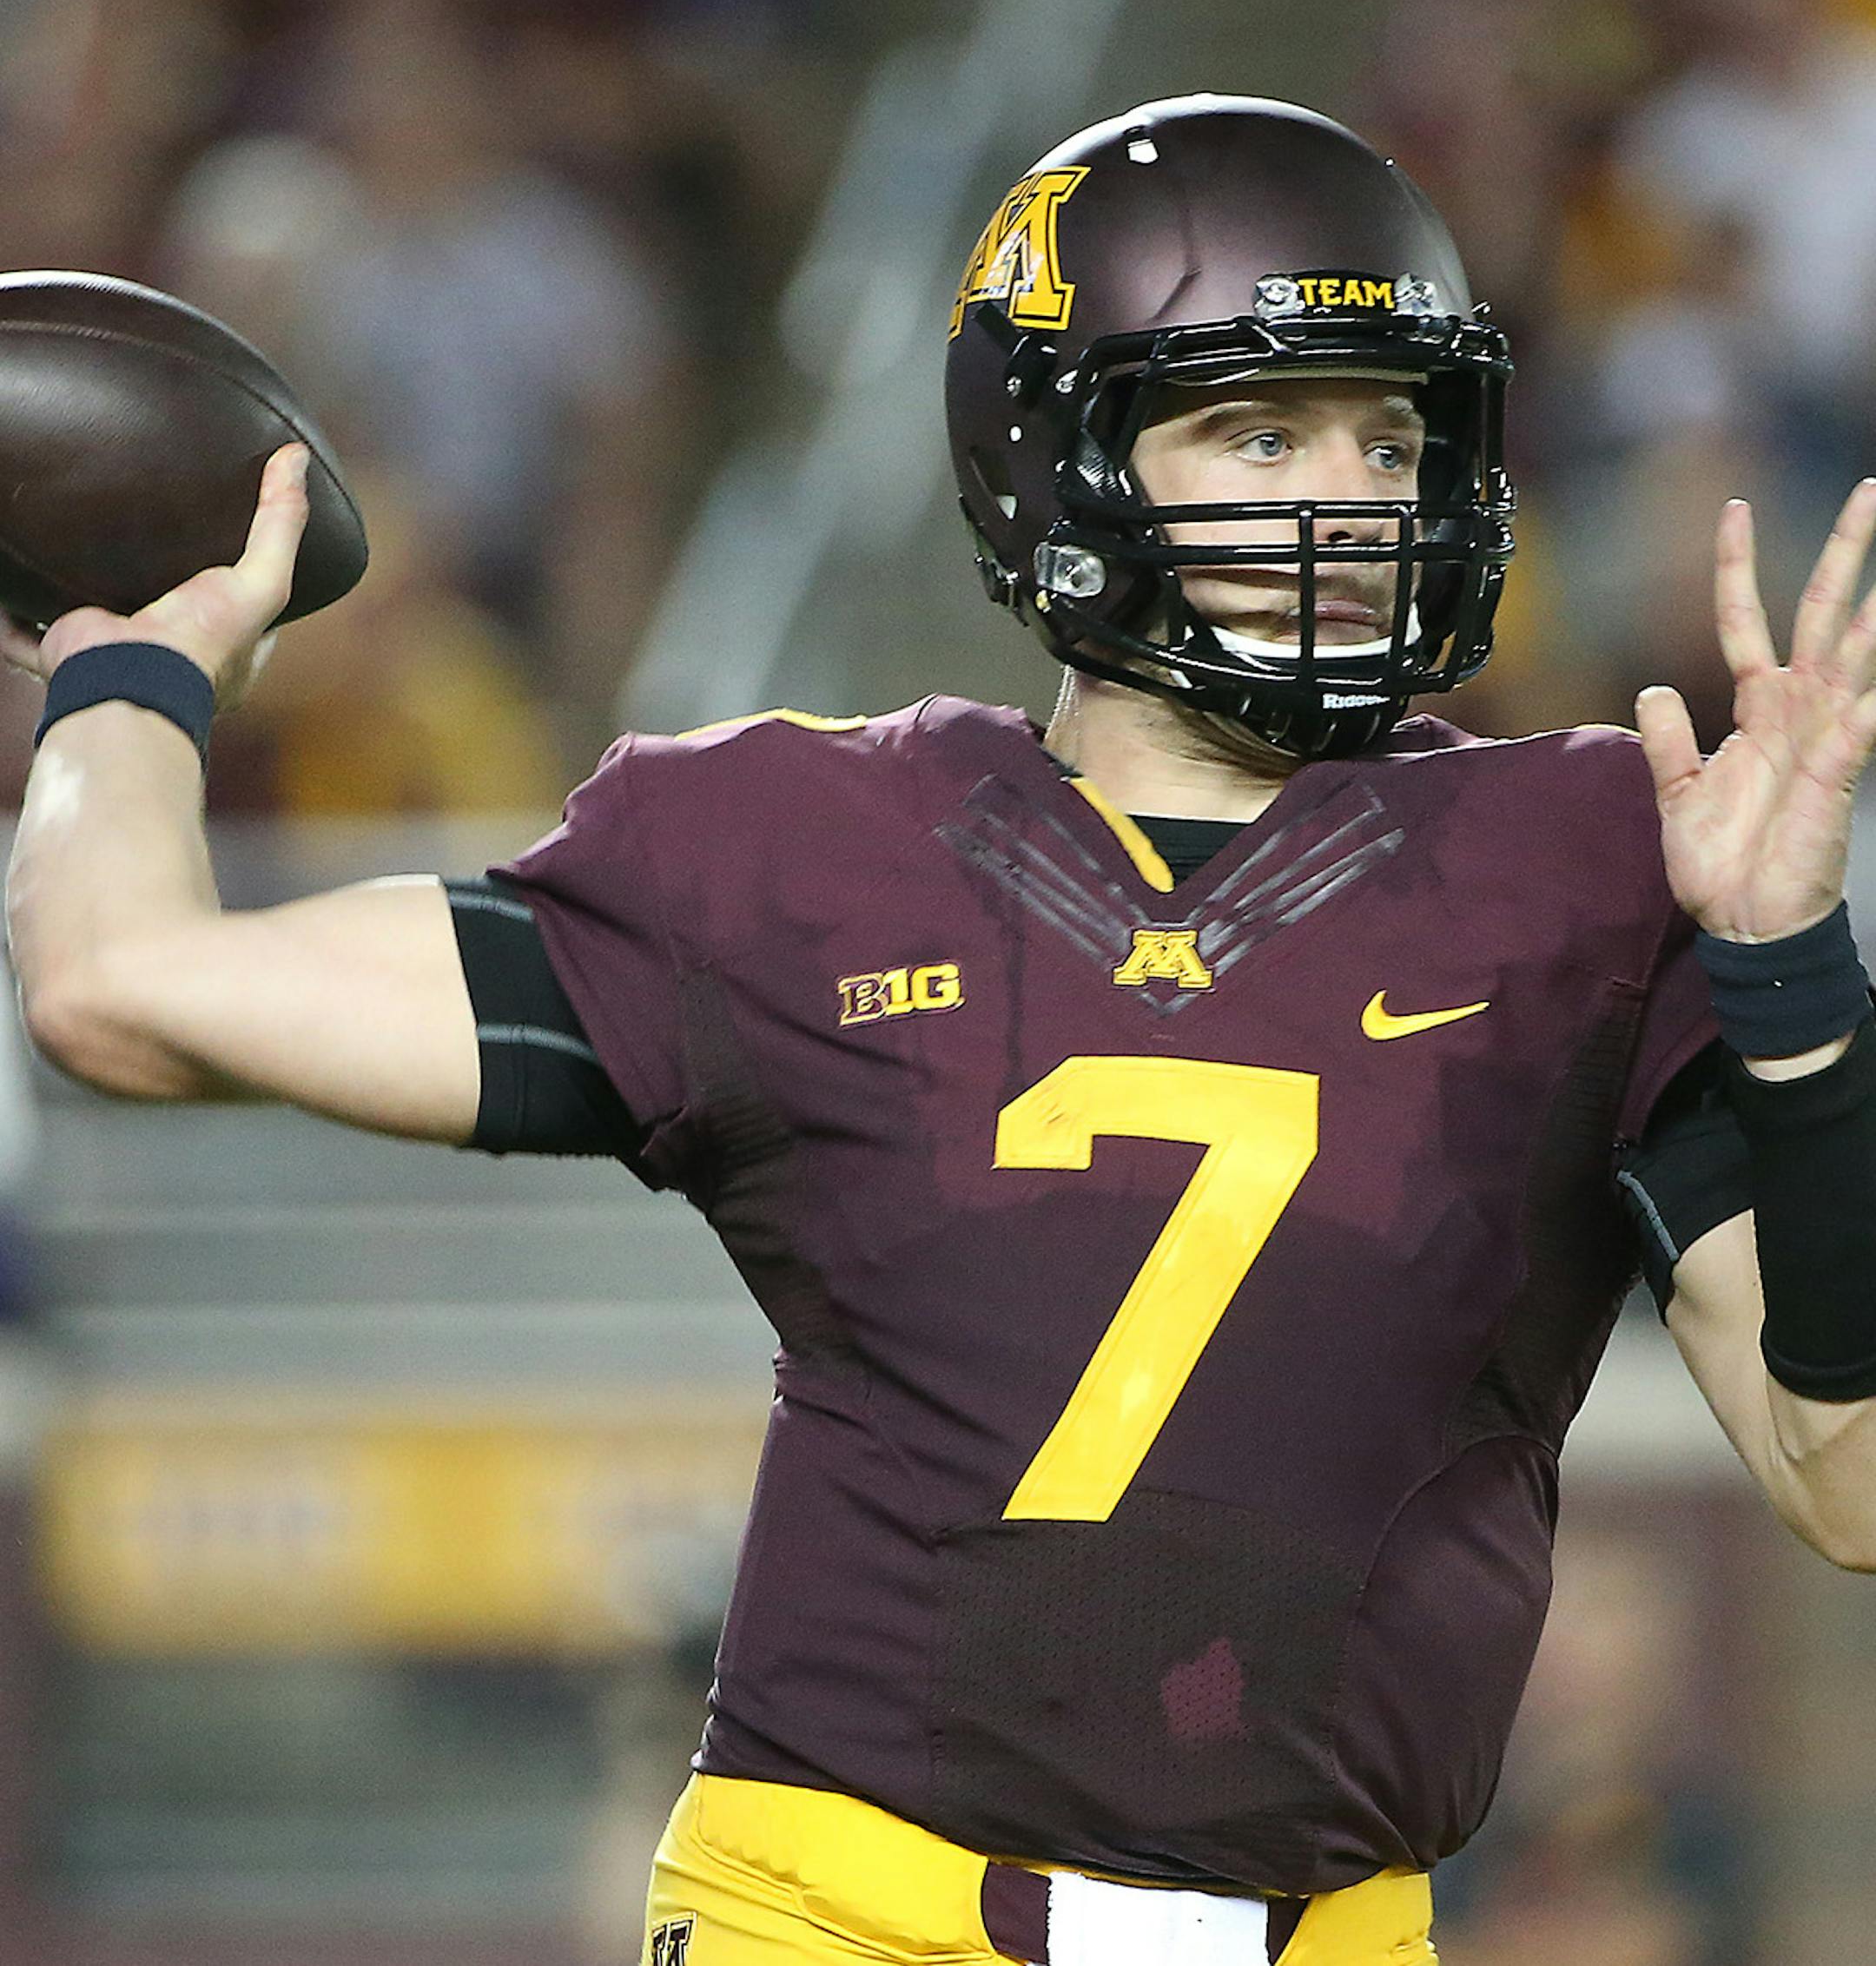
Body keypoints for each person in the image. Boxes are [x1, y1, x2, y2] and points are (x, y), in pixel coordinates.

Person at [9, 96, 1876, 1966]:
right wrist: (131, 665)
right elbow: (123, 987)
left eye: (1390, 433)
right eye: (1258, 425)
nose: (1355, 496)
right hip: (841, 1924)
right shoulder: (799, 853)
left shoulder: (1585, 871)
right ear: (1054, 459)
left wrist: (1797, 974)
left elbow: (1846, 1485)